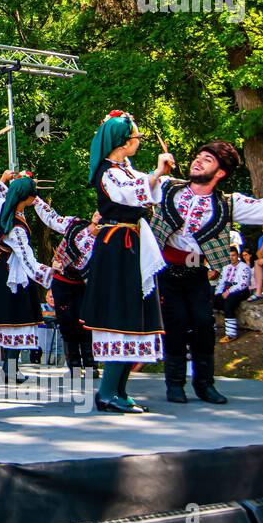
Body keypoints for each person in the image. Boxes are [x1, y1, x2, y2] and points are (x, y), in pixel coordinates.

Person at [150, 139, 263, 404]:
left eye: (207, 159)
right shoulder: (167, 186)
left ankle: (205, 385)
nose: (198, 160)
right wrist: (158, 171)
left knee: (204, 326)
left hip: (197, 273)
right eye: (198, 155)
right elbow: (136, 191)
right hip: (165, 271)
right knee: (177, 324)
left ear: (220, 173)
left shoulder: (228, 203)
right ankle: (174, 385)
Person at [79, 111, 165, 413]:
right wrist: (154, 175)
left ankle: (119, 389)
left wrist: (160, 176)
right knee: (122, 313)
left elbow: (147, 187)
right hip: (118, 245)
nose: (139, 142)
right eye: (136, 137)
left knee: (135, 313)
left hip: (132, 244)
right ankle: (107, 391)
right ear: (123, 142)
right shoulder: (108, 172)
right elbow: (131, 195)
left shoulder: (125, 168)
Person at [0, 174, 55, 385]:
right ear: (25, 199)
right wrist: (53, 277)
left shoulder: (3, 206)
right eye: (32, 197)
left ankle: (10, 368)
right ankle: (10, 369)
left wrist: (3, 180)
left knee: (10, 318)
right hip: (12, 272)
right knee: (17, 319)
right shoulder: (17, 228)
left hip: (0, 267)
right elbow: (28, 261)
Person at [33, 197, 99, 375]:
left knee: (85, 323)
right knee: (67, 324)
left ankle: (91, 365)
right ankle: (75, 367)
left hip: (83, 285)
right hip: (62, 282)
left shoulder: (104, 244)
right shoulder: (74, 224)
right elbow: (52, 218)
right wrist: (35, 200)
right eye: (98, 212)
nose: (99, 216)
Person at [213, 249, 254, 339]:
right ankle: (210, 329)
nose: (231, 258)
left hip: (241, 290)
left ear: (237, 255)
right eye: (229, 256)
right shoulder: (225, 268)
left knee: (229, 303)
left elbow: (243, 284)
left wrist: (228, 292)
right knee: (212, 301)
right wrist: (218, 294)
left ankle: (231, 334)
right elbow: (221, 282)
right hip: (227, 290)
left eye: (233, 255)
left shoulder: (244, 267)